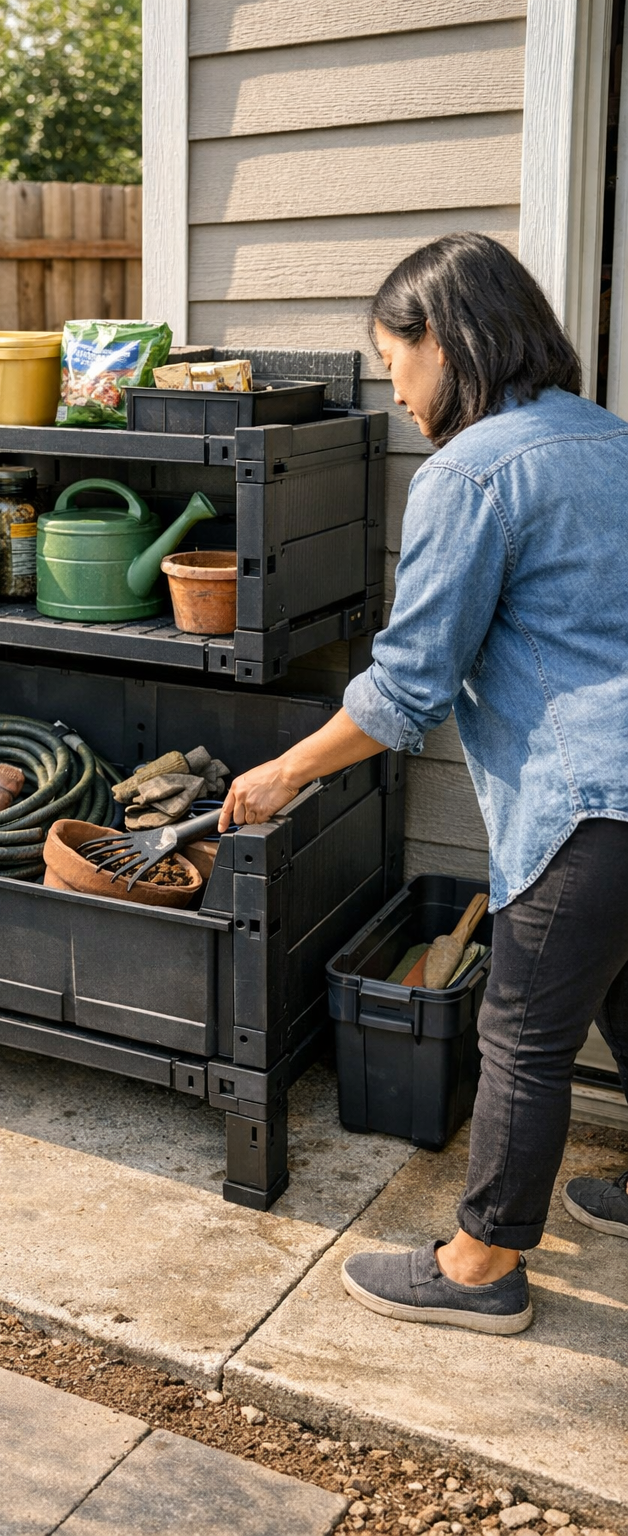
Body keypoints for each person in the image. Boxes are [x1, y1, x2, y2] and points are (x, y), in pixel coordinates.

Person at [219, 232, 628, 1334]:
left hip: (592, 797)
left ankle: (481, 1267)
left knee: (523, 1035)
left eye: (391, 361)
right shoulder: (612, 439)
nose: (393, 391)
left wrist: (283, 771)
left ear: (442, 341)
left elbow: (408, 688)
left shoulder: (474, 471)